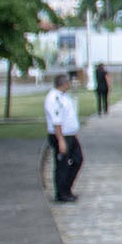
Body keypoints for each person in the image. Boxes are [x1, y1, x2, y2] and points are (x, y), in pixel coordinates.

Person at [44, 71, 83, 203]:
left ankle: (67, 188)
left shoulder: (65, 96)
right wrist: (61, 140)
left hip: (70, 134)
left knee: (78, 160)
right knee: (62, 165)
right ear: (64, 83)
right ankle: (61, 193)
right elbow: (56, 121)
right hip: (61, 135)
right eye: (68, 83)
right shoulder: (53, 98)